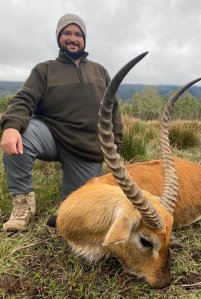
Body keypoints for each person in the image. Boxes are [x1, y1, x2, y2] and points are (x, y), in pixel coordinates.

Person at [0, 14, 123, 232]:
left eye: (78, 34)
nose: (72, 38)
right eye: (67, 33)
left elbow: (113, 111)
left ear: (84, 39)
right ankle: (23, 205)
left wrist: (116, 149)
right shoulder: (44, 69)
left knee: (76, 208)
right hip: (50, 135)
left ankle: (71, 193)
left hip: (86, 148)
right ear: (59, 37)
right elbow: (24, 99)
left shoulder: (100, 71)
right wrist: (11, 126)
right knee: (22, 134)